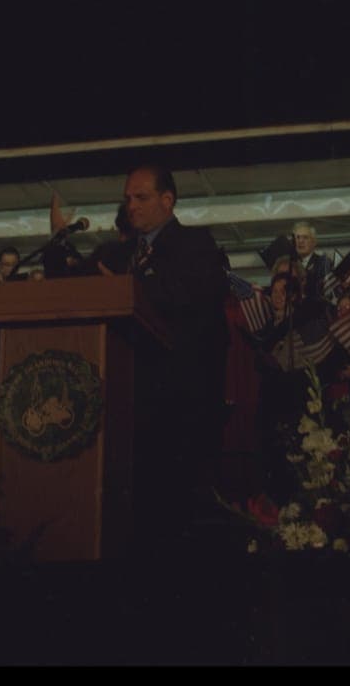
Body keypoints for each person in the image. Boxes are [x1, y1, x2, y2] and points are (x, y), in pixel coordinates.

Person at [110, 164, 230, 540]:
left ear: (167, 200)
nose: (131, 206)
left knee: (176, 519)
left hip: (179, 405)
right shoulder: (119, 253)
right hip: (128, 405)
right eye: (128, 198)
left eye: (141, 197)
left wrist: (129, 291)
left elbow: (188, 299)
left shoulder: (195, 244)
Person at [292, 221, 335, 301]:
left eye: (305, 237)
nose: (300, 241)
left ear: (314, 242)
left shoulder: (323, 263)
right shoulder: (290, 265)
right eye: (297, 237)